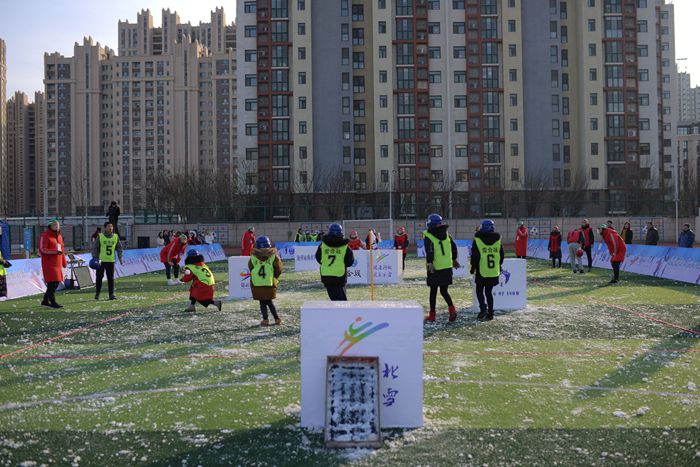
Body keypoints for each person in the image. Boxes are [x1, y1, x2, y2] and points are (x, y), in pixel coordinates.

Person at [423, 214, 458, 323]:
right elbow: (454, 247)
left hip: (435, 267)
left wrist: (430, 263)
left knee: (433, 292)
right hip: (447, 266)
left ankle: (432, 315)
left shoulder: (428, 235)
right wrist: (454, 259)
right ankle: (452, 310)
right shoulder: (446, 234)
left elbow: (430, 250)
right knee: (444, 291)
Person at [471, 219, 504, 322]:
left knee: (479, 290)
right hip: (493, 271)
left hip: (482, 270)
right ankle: (490, 313)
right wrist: (498, 266)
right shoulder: (497, 240)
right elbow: (501, 256)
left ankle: (483, 309)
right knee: (489, 292)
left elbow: (475, 257)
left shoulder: (477, 240)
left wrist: (473, 268)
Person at [248, 236, 283, 326]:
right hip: (269, 282)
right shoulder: (274, 257)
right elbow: (279, 269)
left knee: (262, 302)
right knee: (269, 301)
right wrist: (274, 277)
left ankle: (265, 319)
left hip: (257, 283)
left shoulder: (253, 257)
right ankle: (276, 318)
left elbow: (250, 268)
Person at [315, 223, 354, 301]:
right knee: (342, 301)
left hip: (326, 276)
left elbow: (318, 258)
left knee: (334, 299)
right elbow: (350, 262)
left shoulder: (323, 245)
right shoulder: (345, 247)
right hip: (340, 276)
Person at [91, 222, 124, 300]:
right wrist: (95, 258)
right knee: (99, 277)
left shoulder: (115, 236)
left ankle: (111, 294)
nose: (110, 228)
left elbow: (119, 248)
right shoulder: (100, 236)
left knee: (110, 278)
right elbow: (95, 248)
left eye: (111, 226)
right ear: (105, 228)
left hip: (111, 260)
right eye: (109, 226)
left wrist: (120, 257)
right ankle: (97, 293)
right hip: (101, 261)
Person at [39, 219, 67, 308]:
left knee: (55, 282)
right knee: (53, 283)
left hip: (57, 263)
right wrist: (55, 252)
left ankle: (45, 301)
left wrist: (64, 261)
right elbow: (42, 249)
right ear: (50, 226)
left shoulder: (59, 236)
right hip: (49, 263)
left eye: (57, 224)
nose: (57, 226)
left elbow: (62, 250)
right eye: (55, 225)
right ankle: (52, 301)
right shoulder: (45, 236)